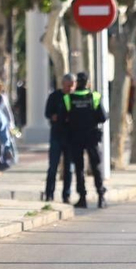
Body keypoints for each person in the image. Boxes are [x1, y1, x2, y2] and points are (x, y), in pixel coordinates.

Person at [64, 71, 108, 208]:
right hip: (92, 137)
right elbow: (103, 117)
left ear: (77, 83)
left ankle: (82, 197)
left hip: (76, 137)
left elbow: (63, 118)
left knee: (79, 168)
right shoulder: (94, 96)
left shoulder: (69, 98)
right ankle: (100, 196)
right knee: (95, 166)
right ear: (88, 83)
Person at [43, 74, 75, 202]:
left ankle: (66, 195)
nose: (71, 88)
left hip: (70, 136)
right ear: (63, 84)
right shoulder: (54, 96)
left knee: (69, 168)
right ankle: (49, 194)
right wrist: (54, 117)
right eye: (68, 85)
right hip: (57, 135)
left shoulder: (75, 97)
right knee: (53, 167)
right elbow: (47, 113)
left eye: (73, 85)